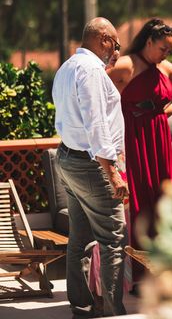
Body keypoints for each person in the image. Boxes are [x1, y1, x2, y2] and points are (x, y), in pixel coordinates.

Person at [52, 17, 129, 317]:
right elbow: (96, 124)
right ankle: (113, 312)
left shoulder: (69, 66)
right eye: (116, 45)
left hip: (68, 159)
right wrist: (112, 172)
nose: (117, 52)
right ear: (104, 39)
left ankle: (81, 305)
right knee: (112, 239)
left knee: (80, 239)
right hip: (92, 164)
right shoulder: (91, 71)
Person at [107, 18, 172, 285]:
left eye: (170, 50)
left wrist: (166, 112)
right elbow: (95, 91)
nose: (166, 54)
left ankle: (165, 268)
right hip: (134, 137)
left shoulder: (165, 67)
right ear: (149, 42)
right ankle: (143, 277)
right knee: (141, 201)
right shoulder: (126, 65)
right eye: (163, 48)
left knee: (162, 198)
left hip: (159, 135)